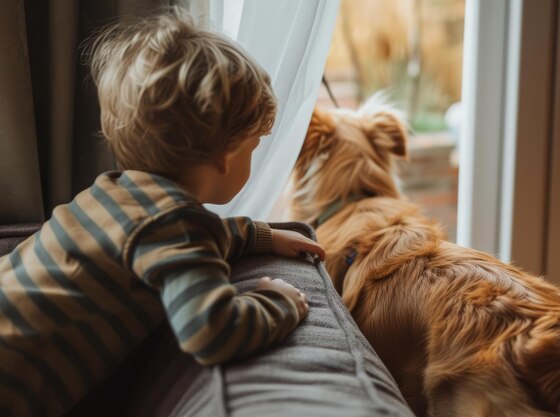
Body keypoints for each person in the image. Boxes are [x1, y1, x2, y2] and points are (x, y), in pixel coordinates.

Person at [0, 9, 325, 417]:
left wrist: (261, 235)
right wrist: (280, 301)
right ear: (226, 156)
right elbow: (212, 331)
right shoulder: (176, 226)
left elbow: (187, 241)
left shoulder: (110, 194)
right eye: (254, 146)